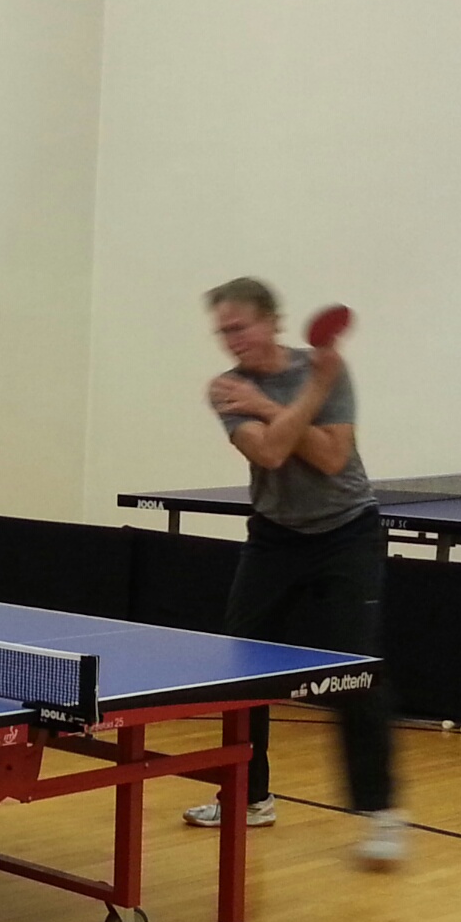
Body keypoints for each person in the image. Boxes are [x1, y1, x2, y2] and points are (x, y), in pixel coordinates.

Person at [185, 278, 404, 868]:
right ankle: (250, 796)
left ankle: (381, 814)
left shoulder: (326, 368)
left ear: (272, 321)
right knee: (242, 671)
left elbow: (333, 458)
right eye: (222, 331)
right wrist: (286, 402)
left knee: (354, 669)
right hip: (275, 539)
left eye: (239, 327)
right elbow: (271, 453)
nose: (230, 341)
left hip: (347, 534)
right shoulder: (228, 389)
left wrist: (280, 405)